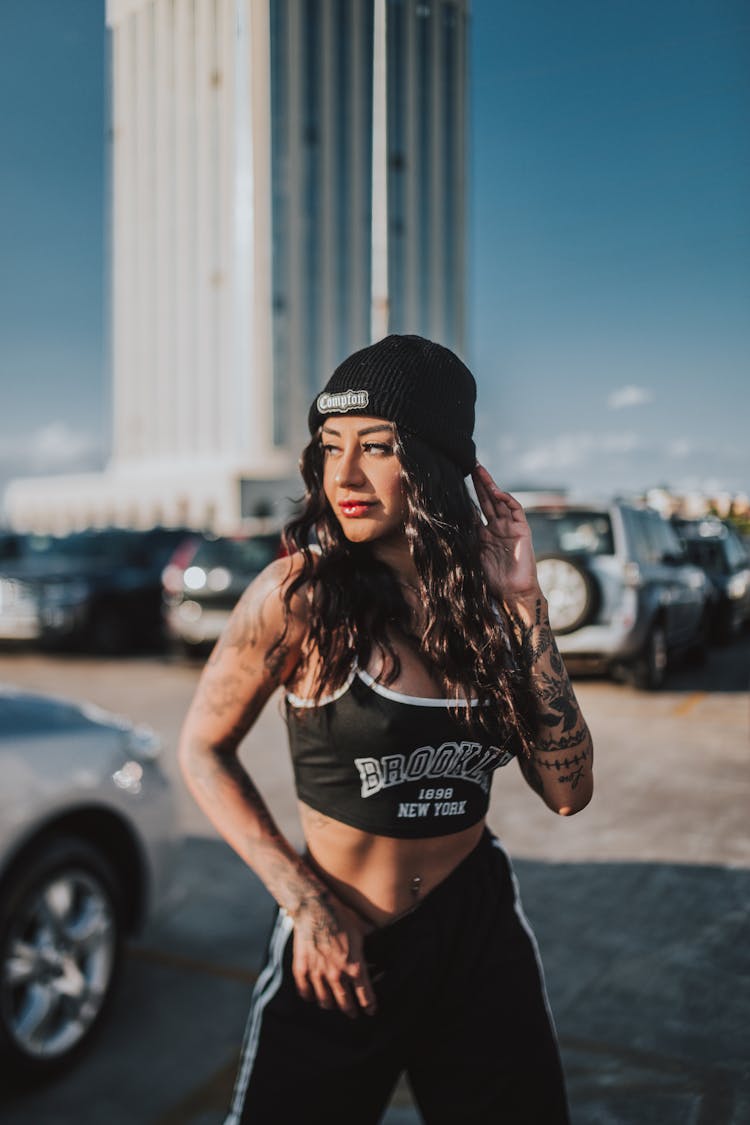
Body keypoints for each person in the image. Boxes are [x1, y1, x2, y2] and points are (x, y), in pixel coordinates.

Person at [178, 334, 594, 1125]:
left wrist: (527, 606)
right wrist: (305, 905)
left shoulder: (492, 608)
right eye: (331, 447)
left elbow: (569, 792)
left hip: (475, 932)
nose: (344, 475)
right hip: (342, 940)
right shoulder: (299, 598)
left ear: (435, 463)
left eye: (376, 447)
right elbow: (202, 747)